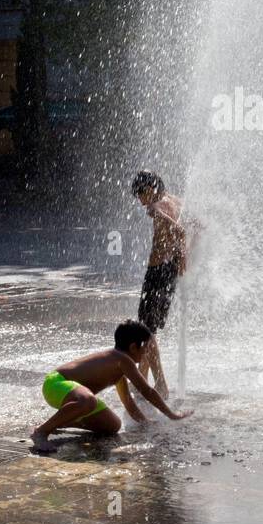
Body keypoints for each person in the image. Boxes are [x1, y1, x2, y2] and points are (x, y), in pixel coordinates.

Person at [31, 320, 193, 454]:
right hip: (55, 383)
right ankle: (42, 431)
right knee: (89, 401)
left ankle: (60, 423)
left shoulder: (118, 367)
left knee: (113, 426)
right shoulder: (123, 360)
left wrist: (146, 423)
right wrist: (172, 415)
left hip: (73, 396)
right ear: (133, 347)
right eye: (144, 348)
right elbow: (147, 391)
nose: (146, 354)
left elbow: (128, 403)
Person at [130, 170, 188, 398]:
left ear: (150, 189)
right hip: (169, 271)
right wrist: (180, 257)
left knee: (145, 331)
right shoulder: (175, 201)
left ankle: (161, 384)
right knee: (149, 328)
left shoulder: (155, 208)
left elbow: (180, 230)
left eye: (140, 195)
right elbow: (195, 224)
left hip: (157, 273)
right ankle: (141, 379)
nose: (141, 201)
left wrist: (183, 252)